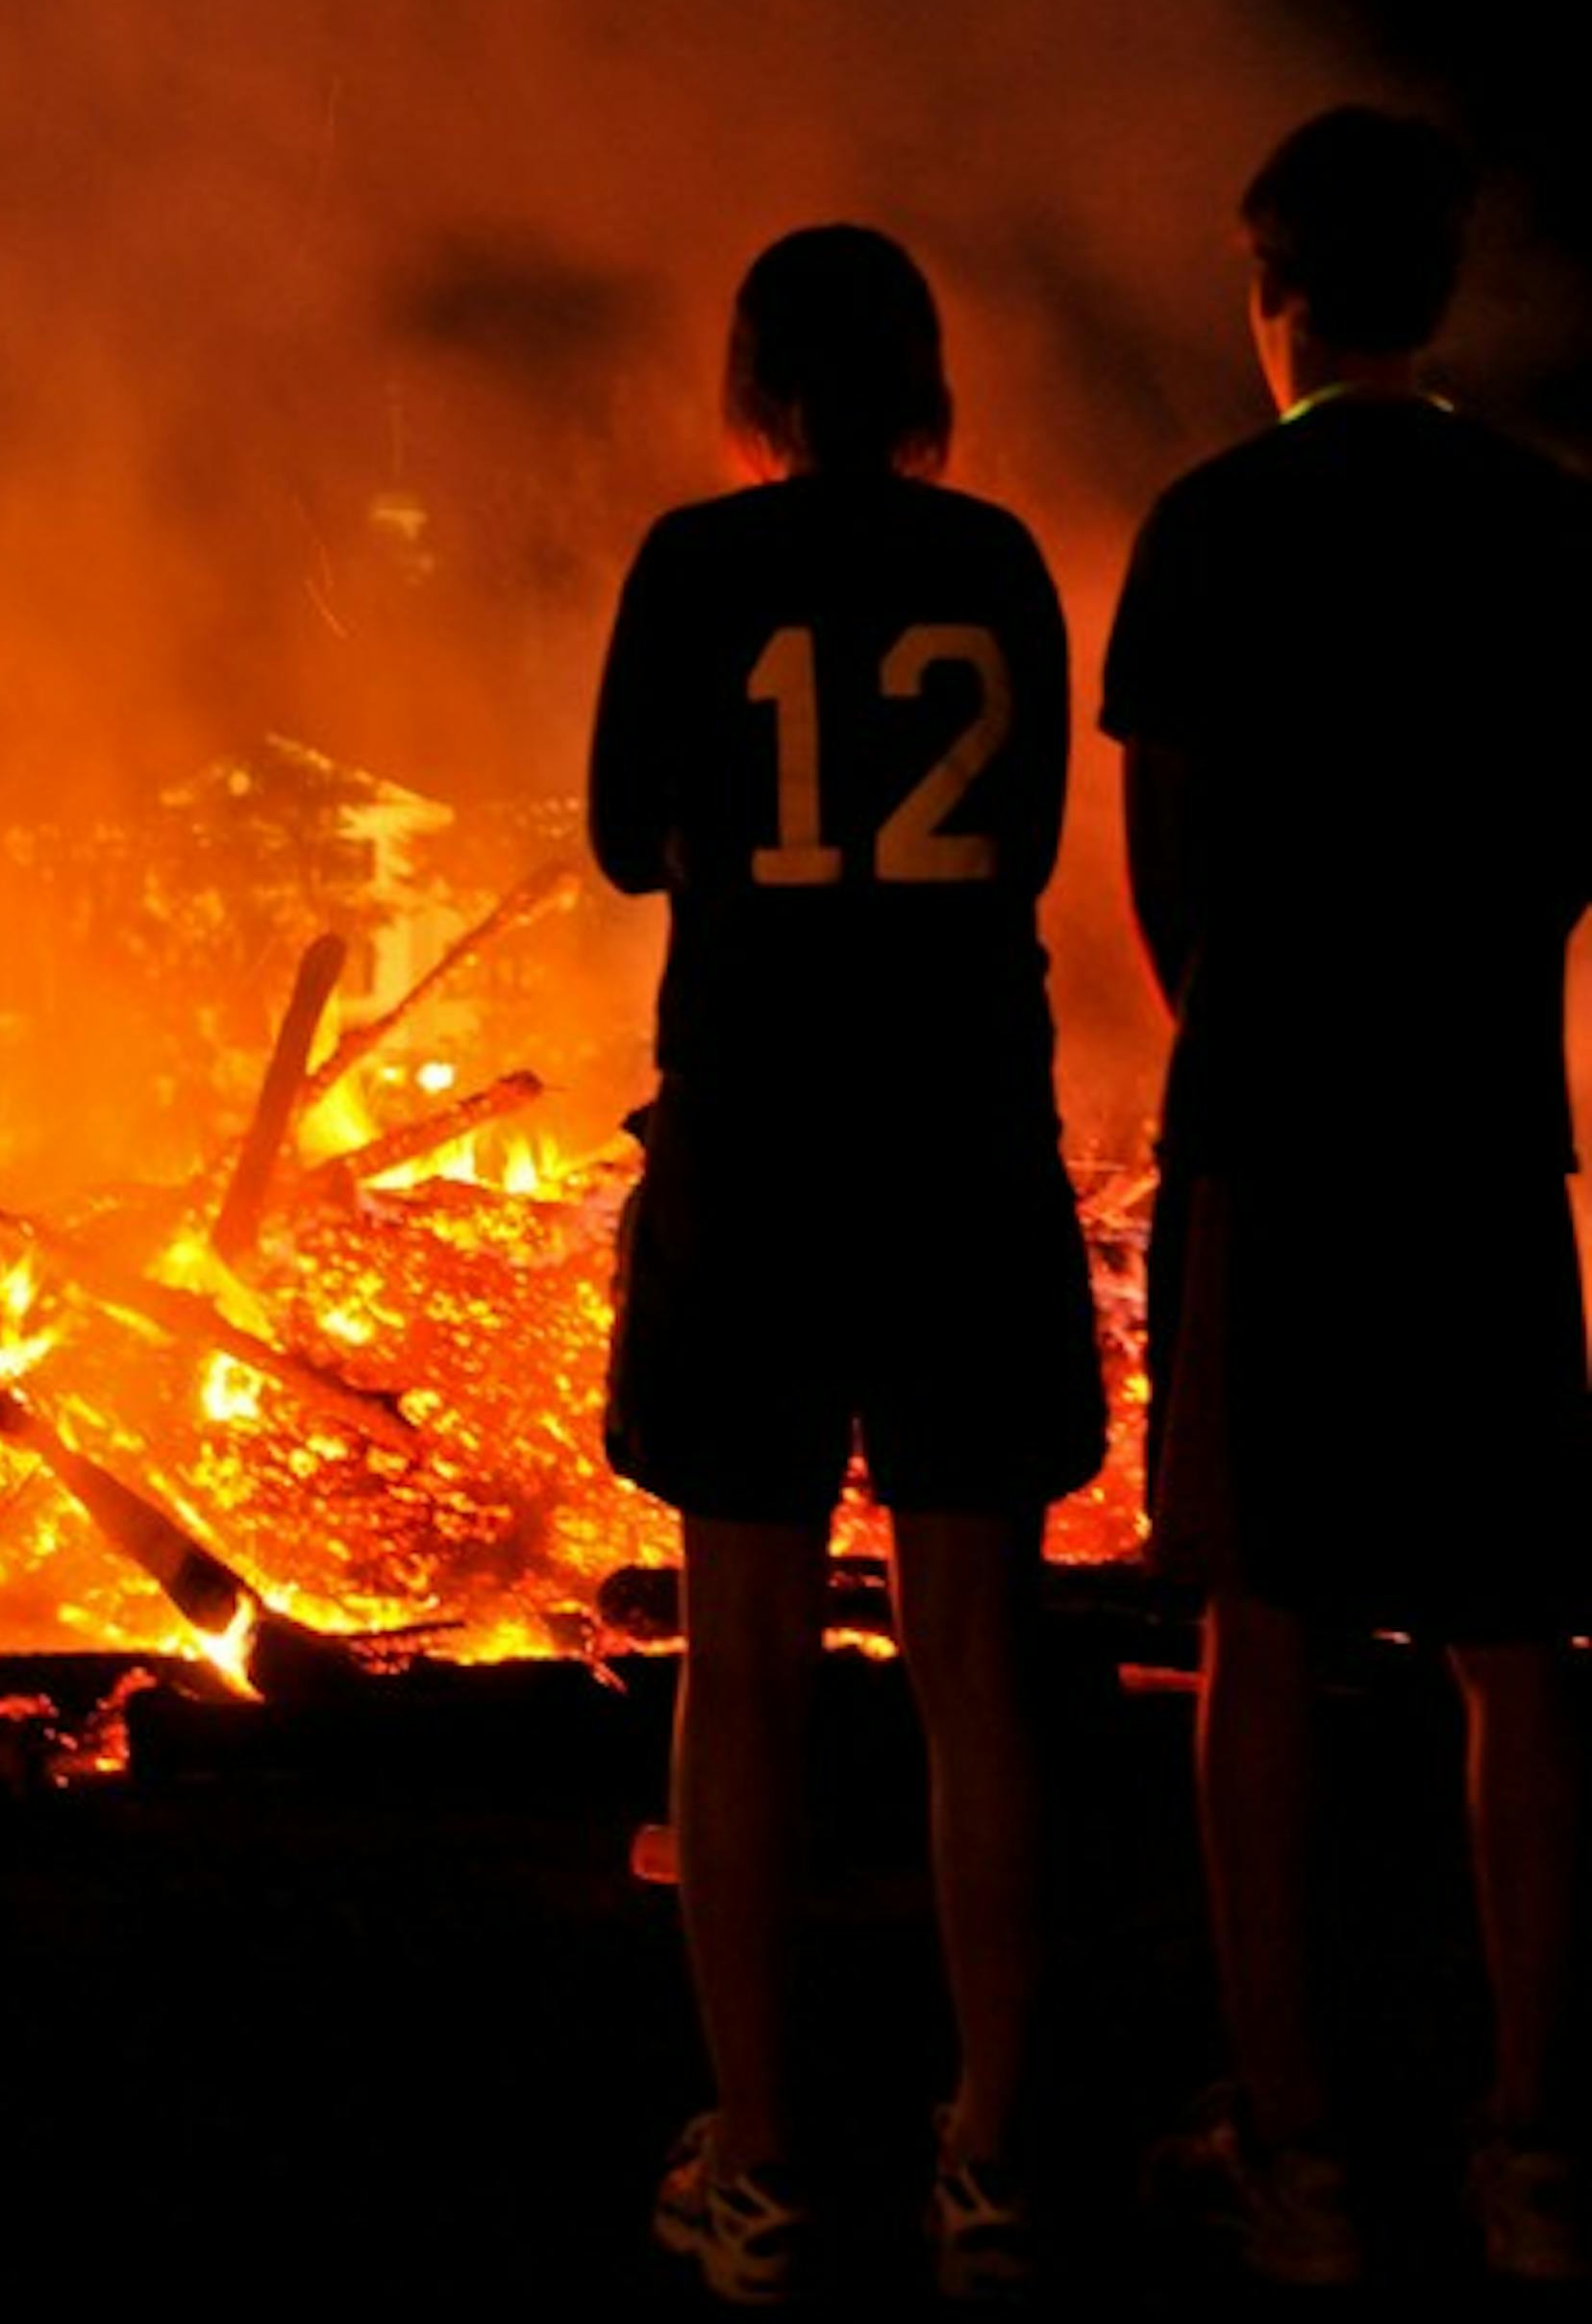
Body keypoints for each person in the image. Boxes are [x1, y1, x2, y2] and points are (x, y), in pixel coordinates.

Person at [588, 223, 1106, 2303]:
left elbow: (624, 835)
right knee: (979, 1659)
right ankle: (995, 2155)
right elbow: (1031, 839)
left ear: (755, 383)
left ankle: (768, 2163)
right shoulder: (997, 562)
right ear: (920, 379)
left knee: (743, 1658)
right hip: (963, 1140)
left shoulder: (694, 562)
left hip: (761, 1144)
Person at [1102, 106, 1592, 2287]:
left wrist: (1243, 1015)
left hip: (1275, 1132)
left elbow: (1164, 876)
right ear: (1440, 294)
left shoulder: (1211, 524)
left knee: (1261, 1622)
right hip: (1481, 1129)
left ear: (1272, 295)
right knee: (1515, 1637)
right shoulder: (1550, 525)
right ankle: (1540, 2149)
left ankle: (1295, 2154)